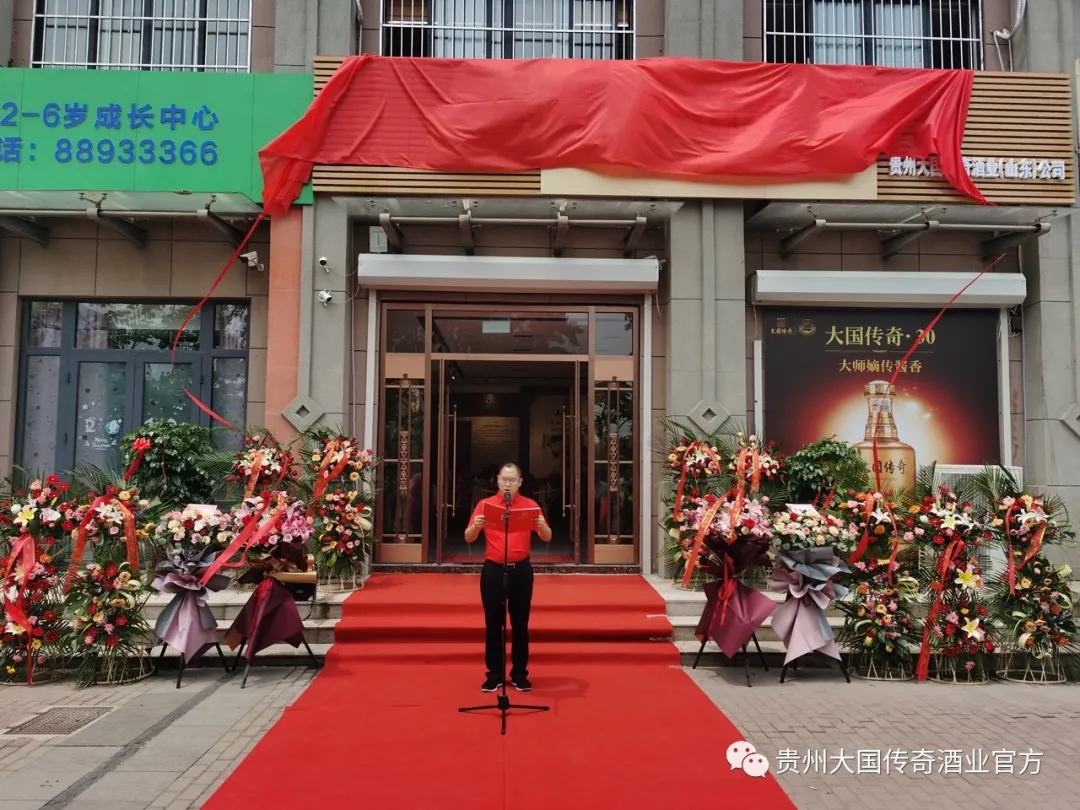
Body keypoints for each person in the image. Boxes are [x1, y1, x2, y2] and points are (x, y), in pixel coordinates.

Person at [464, 462, 552, 693]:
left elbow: (546, 537)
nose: (507, 484)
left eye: (512, 480)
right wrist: (476, 527)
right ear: (497, 480)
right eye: (504, 479)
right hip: (493, 570)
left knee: (520, 623)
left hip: (521, 570)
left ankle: (520, 674)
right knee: (493, 624)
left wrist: (541, 526)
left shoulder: (530, 505)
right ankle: (494, 675)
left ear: (520, 483)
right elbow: (468, 537)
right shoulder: (485, 505)